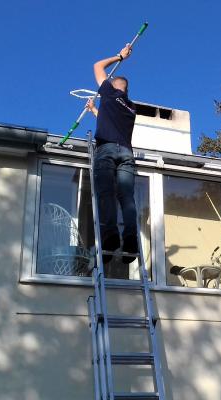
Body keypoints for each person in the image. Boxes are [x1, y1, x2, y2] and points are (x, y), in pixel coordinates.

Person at [86, 43, 138, 264]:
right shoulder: (130, 107)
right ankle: (130, 238)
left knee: (106, 193)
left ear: (112, 85)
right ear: (126, 89)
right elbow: (110, 120)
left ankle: (109, 237)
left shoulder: (107, 92)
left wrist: (120, 57)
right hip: (126, 152)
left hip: (107, 149)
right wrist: (95, 110)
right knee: (126, 197)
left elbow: (97, 65)